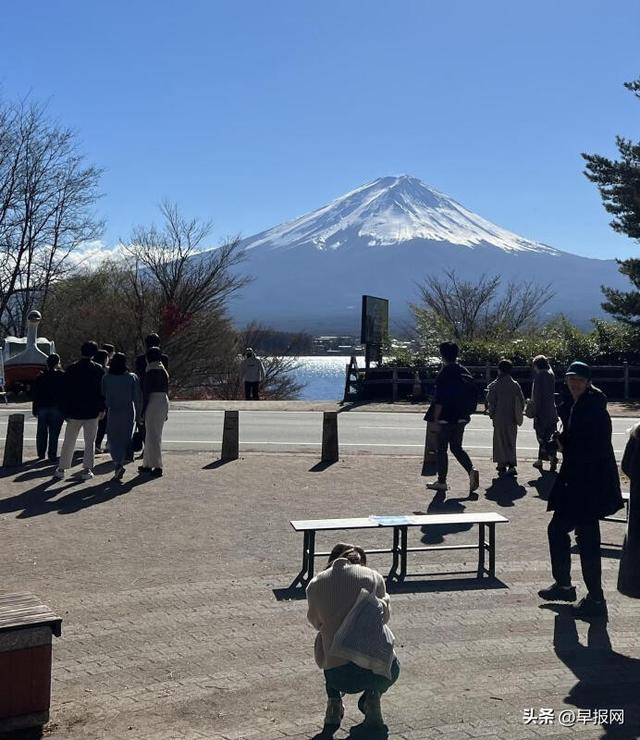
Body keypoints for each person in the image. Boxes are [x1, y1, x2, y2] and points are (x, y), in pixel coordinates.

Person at [539, 361, 623, 620]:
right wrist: (558, 441)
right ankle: (567, 587)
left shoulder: (595, 409)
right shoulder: (572, 404)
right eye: (571, 379)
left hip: (589, 484)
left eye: (579, 380)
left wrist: (566, 448)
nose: (574, 383)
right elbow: (571, 435)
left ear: (588, 383)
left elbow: (596, 449)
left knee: (586, 541)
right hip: (574, 481)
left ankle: (595, 599)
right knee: (562, 532)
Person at [306, 543, 400, 733]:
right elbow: (384, 617)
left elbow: (316, 622)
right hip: (375, 670)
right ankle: (372, 699)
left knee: (327, 640)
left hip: (338, 676)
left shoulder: (315, 584)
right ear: (361, 562)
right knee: (388, 658)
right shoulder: (373, 576)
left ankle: (333, 705)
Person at [425, 341, 480, 496]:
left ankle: (442, 481)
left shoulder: (444, 374)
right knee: (456, 447)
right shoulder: (463, 370)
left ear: (442, 355)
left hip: (446, 417)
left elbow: (439, 400)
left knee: (442, 448)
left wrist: (435, 420)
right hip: (462, 416)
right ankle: (471, 470)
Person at [54, 341, 106, 481]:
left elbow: (64, 392)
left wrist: (65, 411)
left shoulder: (71, 369)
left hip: (74, 411)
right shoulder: (98, 369)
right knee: (90, 442)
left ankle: (61, 468)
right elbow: (101, 392)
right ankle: (87, 469)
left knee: (69, 440)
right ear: (94, 354)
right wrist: (102, 408)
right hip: (92, 411)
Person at [101, 353, 143, 480]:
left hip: (113, 410)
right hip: (128, 410)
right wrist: (139, 414)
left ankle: (118, 463)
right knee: (125, 437)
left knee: (113, 439)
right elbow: (138, 398)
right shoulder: (131, 377)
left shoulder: (107, 378)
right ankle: (123, 458)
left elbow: (103, 394)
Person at [486, 359, 525, 477]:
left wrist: (491, 414)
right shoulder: (515, 384)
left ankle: (501, 463)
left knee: (499, 441)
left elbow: (490, 401)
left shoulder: (495, 385)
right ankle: (512, 464)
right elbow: (521, 401)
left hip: (499, 416)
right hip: (512, 417)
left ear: (499, 370)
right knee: (511, 441)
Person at [139, 347, 169, 477]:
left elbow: (146, 393)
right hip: (163, 401)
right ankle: (147, 464)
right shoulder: (163, 370)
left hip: (153, 401)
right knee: (154, 434)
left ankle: (157, 466)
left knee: (152, 435)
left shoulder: (150, 371)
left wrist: (142, 411)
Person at [32, 353, 65, 463]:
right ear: (57, 363)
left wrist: (34, 408)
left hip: (42, 406)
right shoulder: (61, 376)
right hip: (57, 407)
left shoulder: (40, 377)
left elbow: (35, 394)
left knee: (41, 432)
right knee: (54, 433)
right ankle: (52, 454)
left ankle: (41, 453)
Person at [530, 355, 559, 472]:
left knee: (541, 437)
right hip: (551, 410)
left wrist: (534, 411)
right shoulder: (550, 374)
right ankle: (546, 459)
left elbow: (537, 396)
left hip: (542, 411)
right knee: (551, 436)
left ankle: (549, 458)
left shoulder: (539, 376)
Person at [93, 349, 110, 453]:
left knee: (94, 424)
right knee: (103, 425)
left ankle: (94, 444)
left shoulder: (94, 368)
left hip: (93, 399)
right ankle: (97, 444)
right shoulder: (106, 371)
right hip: (104, 399)